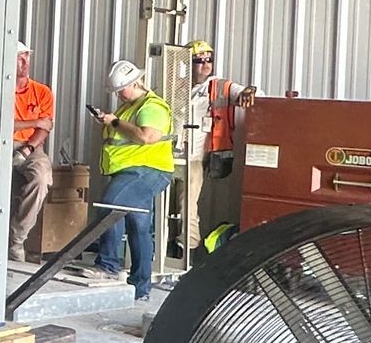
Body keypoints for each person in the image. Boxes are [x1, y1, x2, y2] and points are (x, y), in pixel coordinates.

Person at [93, 58, 175, 302]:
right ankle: (140, 287)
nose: (118, 95)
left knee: (111, 205)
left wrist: (115, 122)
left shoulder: (152, 107)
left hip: (146, 171)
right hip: (133, 171)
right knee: (138, 226)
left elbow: (147, 136)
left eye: (121, 89)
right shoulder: (128, 107)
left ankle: (107, 265)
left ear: (136, 82)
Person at [187, 39, 256, 244]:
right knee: (163, 205)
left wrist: (248, 92)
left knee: (187, 205)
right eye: (199, 61)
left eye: (209, 60)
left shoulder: (218, 86)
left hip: (195, 158)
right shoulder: (174, 86)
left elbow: (247, 94)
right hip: (168, 155)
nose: (206, 64)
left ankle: (186, 248)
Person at [7, 41, 54, 263]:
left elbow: (45, 130)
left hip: (30, 147)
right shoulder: (1, 89)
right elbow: (1, 122)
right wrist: (34, 121)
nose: (25, 63)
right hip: (0, 143)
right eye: (19, 58)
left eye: (27, 57)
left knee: (41, 178)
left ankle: (17, 240)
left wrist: (27, 149)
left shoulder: (42, 92)